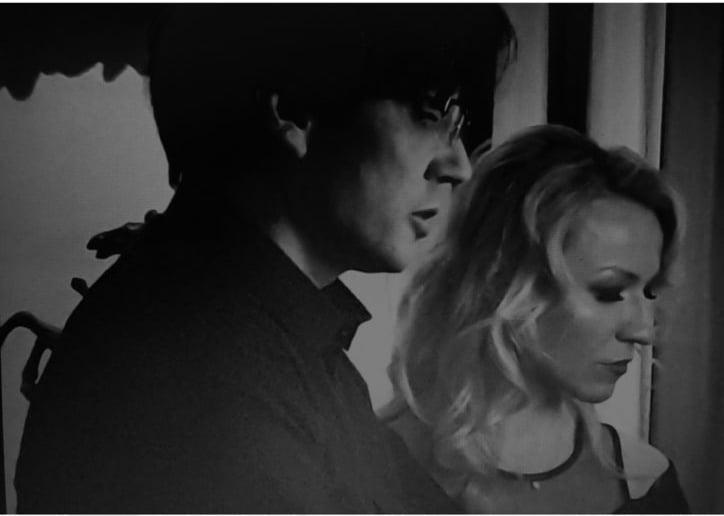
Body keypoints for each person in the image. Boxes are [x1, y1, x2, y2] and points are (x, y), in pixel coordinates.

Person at [14, 5, 514, 513]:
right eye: (432, 112)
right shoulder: (207, 385)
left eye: (459, 124)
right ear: (295, 111)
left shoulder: (275, 339)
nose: (459, 166)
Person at [385, 125, 690, 513]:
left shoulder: (647, 484)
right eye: (610, 290)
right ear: (504, 280)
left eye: (650, 292)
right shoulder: (371, 460)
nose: (643, 331)